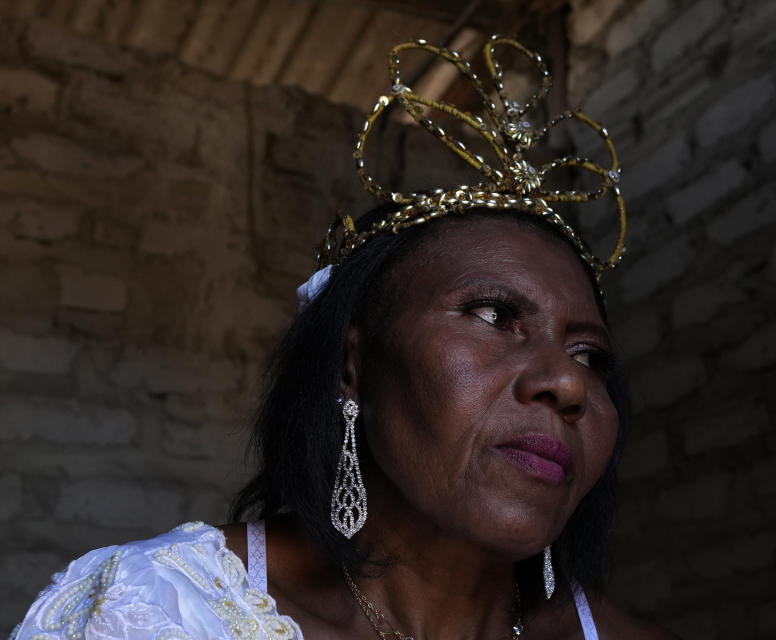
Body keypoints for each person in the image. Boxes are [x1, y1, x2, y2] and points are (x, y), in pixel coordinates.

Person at [13, 36, 677, 640]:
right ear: (351, 366)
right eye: (491, 316)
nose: (567, 382)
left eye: (590, 356)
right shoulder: (153, 614)